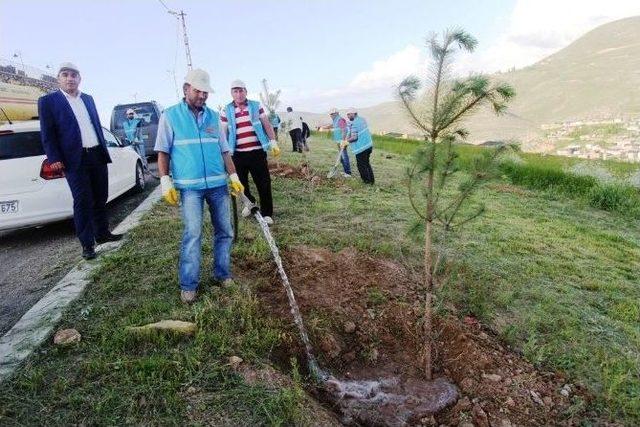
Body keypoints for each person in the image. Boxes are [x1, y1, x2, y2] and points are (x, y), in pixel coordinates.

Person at [154, 69, 245, 304]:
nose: (202, 96)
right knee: (193, 234)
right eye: (198, 91)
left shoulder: (214, 116)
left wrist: (233, 176)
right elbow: (163, 151)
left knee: (225, 231)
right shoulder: (171, 115)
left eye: (206, 92)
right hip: (189, 187)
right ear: (186, 89)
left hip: (217, 184)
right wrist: (165, 181)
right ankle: (189, 284)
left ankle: (222, 274)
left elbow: (224, 149)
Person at [38, 62, 122, 260]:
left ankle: (102, 234)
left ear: (79, 79)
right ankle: (87, 244)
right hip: (73, 159)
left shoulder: (88, 99)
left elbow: (94, 125)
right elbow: (47, 133)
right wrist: (54, 157)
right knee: (82, 200)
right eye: (65, 74)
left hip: (96, 154)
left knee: (101, 196)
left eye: (74, 75)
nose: (70, 78)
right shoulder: (48, 101)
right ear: (58, 79)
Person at [221, 80, 280, 225]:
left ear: (246, 92)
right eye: (235, 91)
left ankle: (267, 213)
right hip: (237, 154)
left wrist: (273, 141)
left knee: (263, 183)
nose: (239, 94)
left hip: (257, 152)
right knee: (240, 183)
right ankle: (250, 203)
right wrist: (223, 151)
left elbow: (266, 123)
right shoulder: (226, 110)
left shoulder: (255, 105)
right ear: (231, 93)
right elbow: (223, 132)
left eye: (241, 91)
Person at [342, 107, 374, 184]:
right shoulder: (362, 120)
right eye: (347, 115)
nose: (348, 116)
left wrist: (346, 141)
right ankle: (371, 181)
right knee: (366, 163)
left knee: (361, 165)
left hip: (361, 147)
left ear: (354, 113)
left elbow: (354, 137)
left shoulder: (354, 124)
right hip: (369, 145)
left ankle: (366, 181)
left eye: (349, 114)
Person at [329, 108, 351, 177]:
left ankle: (348, 173)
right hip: (339, 141)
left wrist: (343, 141)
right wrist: (322, 126)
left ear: (336, 113)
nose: (331, 116)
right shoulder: (335, 121)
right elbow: (331, 126)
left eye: (332, 114)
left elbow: (344, 130)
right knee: (341, 157)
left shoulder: (340, 120)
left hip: (342, 141)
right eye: (330, 114)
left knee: (344, 156)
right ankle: (345, 171)